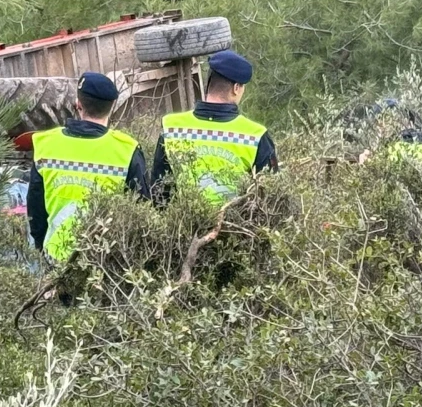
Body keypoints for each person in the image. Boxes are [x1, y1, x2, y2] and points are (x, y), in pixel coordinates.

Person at [27, 72, 149, 261]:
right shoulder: (126, 150)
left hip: (56, 259)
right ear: (111, 107)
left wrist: (42, 249)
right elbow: (142, 211)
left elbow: (35, 211)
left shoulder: (46, 145)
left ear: (78, 105)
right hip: (106, 264)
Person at [151, 50, 277, 205]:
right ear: (236, 88)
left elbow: (159, 193)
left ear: (209, 82)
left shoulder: (172, 127)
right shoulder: (255, 135)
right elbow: (271, 198)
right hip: (238, 228)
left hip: (184, 227)